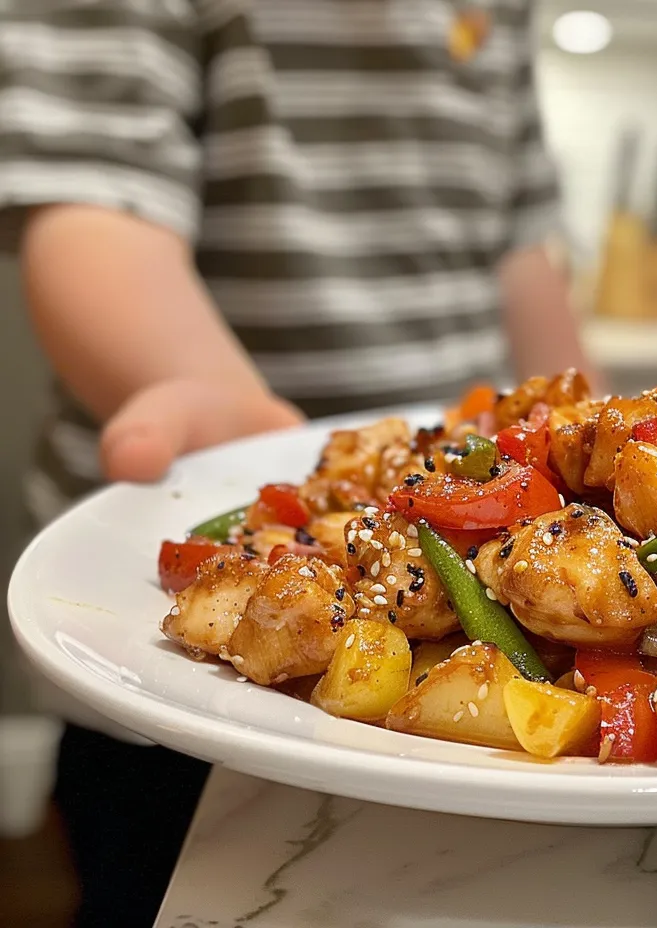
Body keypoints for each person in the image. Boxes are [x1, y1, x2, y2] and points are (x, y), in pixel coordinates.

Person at [0, 2, 593, 925]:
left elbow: (519, 254)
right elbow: (94, 209)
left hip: (469, 530)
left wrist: (588, 438)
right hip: (183, 672)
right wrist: (223, 412)